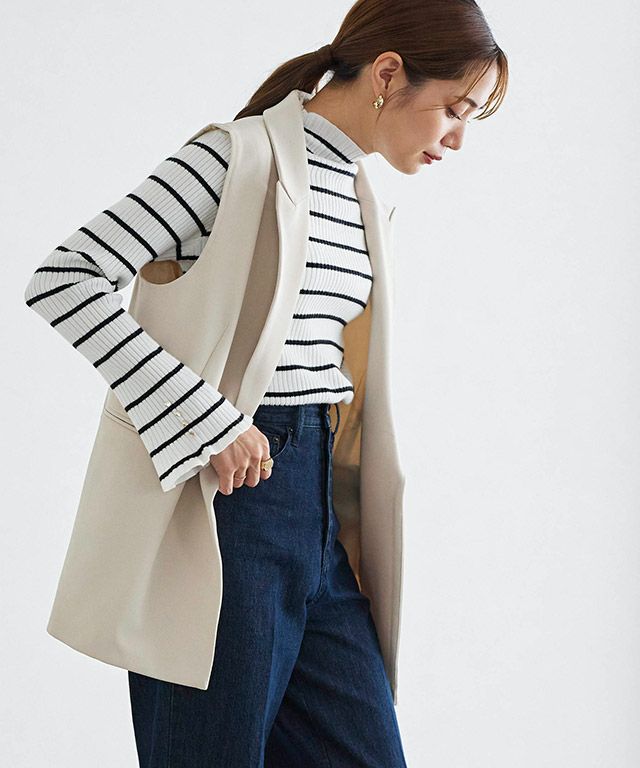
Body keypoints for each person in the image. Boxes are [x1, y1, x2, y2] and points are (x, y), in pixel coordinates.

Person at [23, 0, 508, 764]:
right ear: (388, 74)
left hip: (320, 515)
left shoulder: (357, 192)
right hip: (227, 512)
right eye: (455, 109)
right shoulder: (233, 158)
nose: (458, 138)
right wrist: (205, 420)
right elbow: (65, 277)